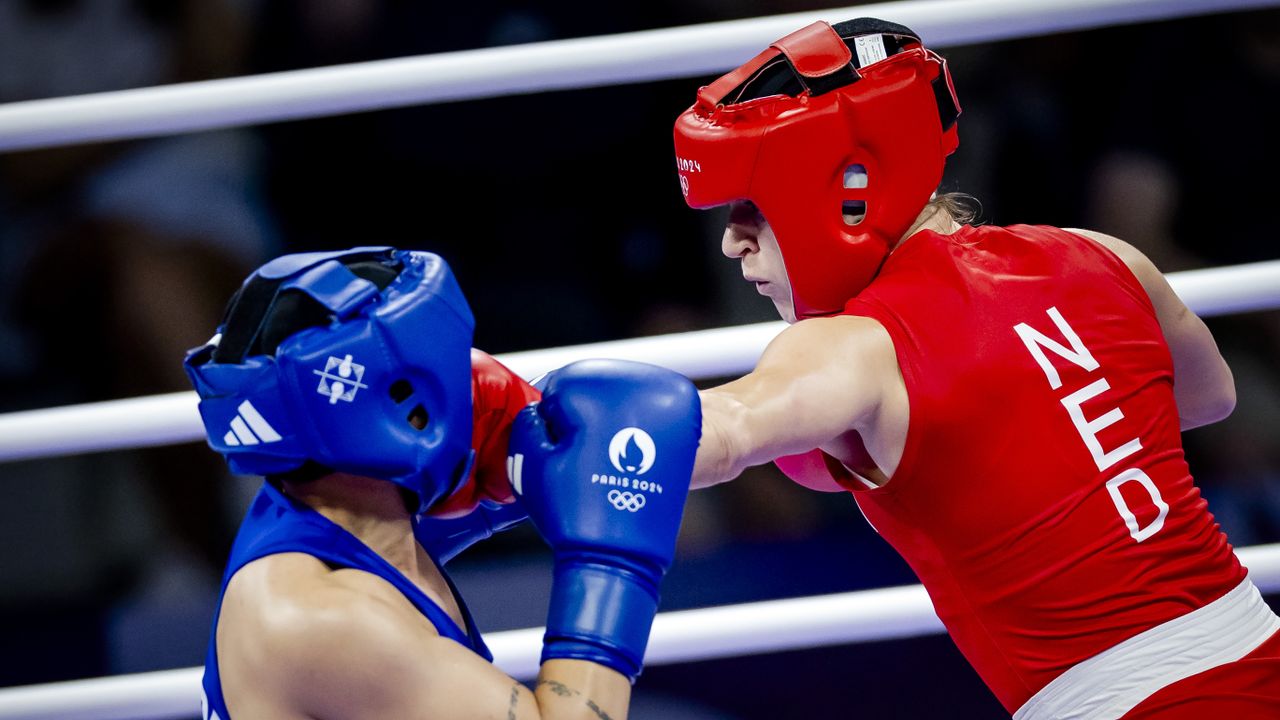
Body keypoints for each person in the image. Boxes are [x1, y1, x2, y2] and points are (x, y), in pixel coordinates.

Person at [673, 18, 1280, 719]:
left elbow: (717, 435)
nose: (729, 243)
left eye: (751, 208)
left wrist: (528, 443)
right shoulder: (1100, 253)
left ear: (848, 188)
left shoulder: (857, 345)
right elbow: (1210, 397)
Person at [184, 247, 701, 719]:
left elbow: (661, 447)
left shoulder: (321, 504)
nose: (469, 379)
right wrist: (609, 561)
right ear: (403, 409)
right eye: (446, 365)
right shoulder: (328, 620)